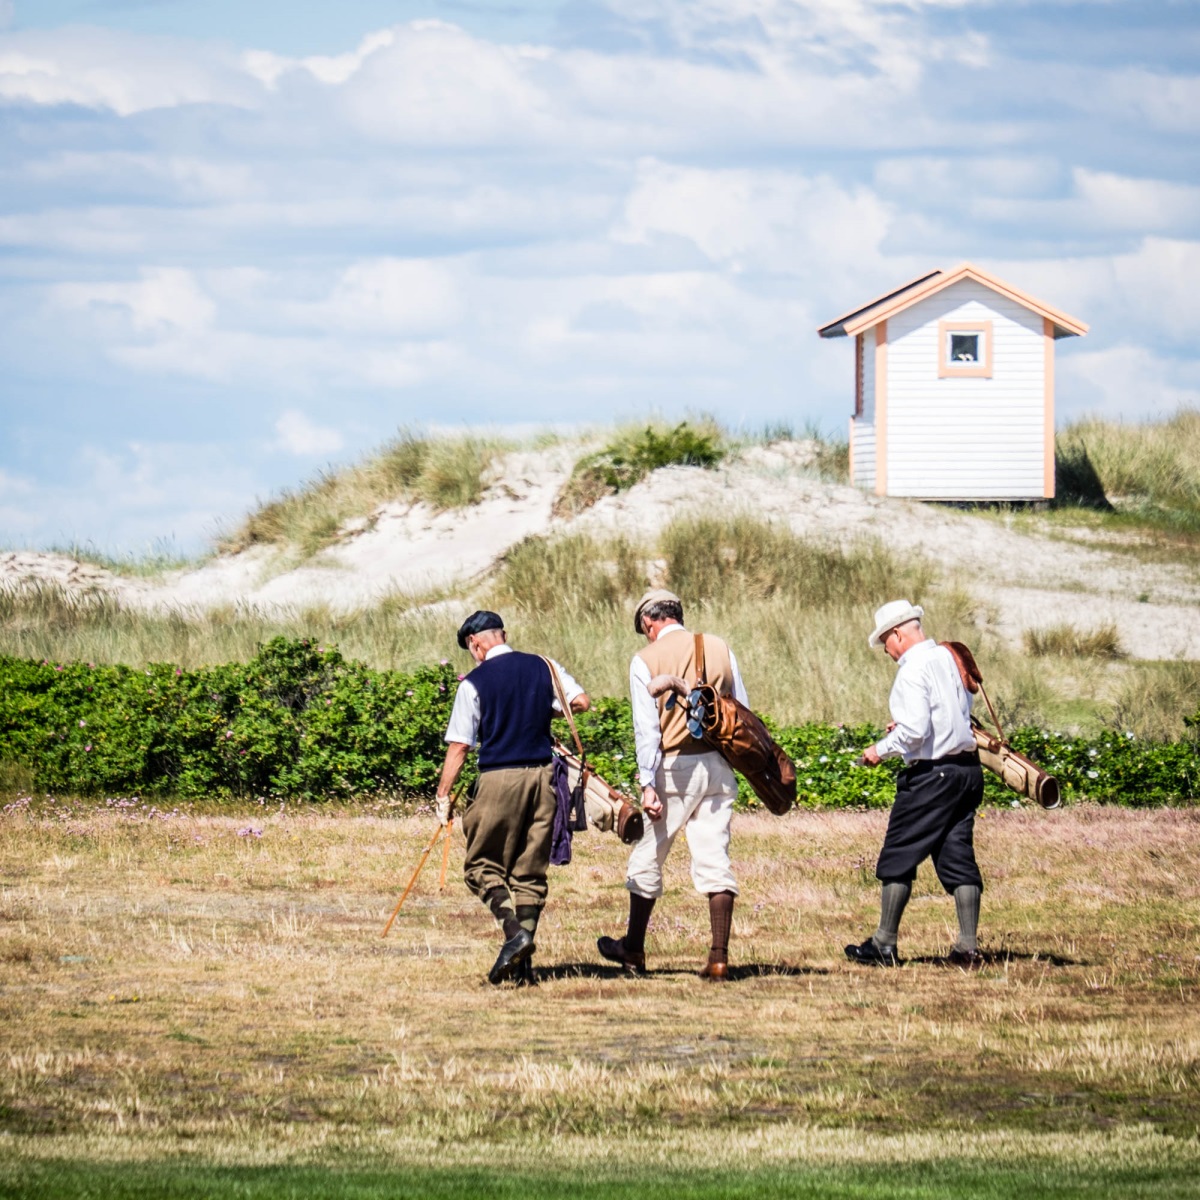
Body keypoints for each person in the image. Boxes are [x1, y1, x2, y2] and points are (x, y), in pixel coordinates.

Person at [597, 589, 749, 981]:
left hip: (675, 765)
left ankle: (632, 949)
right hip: (719, 764)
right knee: (715, 857)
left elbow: (646, 730)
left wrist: (647, 784)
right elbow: (741, 709)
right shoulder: (719, 647)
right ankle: (718, 957)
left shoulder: (645, 660)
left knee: (648, 854)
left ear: (649, 622)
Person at [435, 610, 590, 986]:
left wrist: (442, 796)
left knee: (481, 868)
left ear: (476, 643)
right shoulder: (544, 665)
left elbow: (459, 747)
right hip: (543, 779)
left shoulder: (473, 682)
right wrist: (542, 711)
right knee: (529, 874)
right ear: (501, 634)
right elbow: (582, 702)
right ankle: (523, 969)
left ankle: (513, 935)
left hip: (498, 778)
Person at [845, 600, 985, 968]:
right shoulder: (949, 658)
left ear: (897, 634)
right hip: (967, 771)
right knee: (958, 857)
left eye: (886, 643)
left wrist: (879, 749)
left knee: (898, 856)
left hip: (932, 776)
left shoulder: (911, 670)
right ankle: (967, 948)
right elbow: (951, 716)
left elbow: (914, 731)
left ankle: (884, 944)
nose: (887, 651)